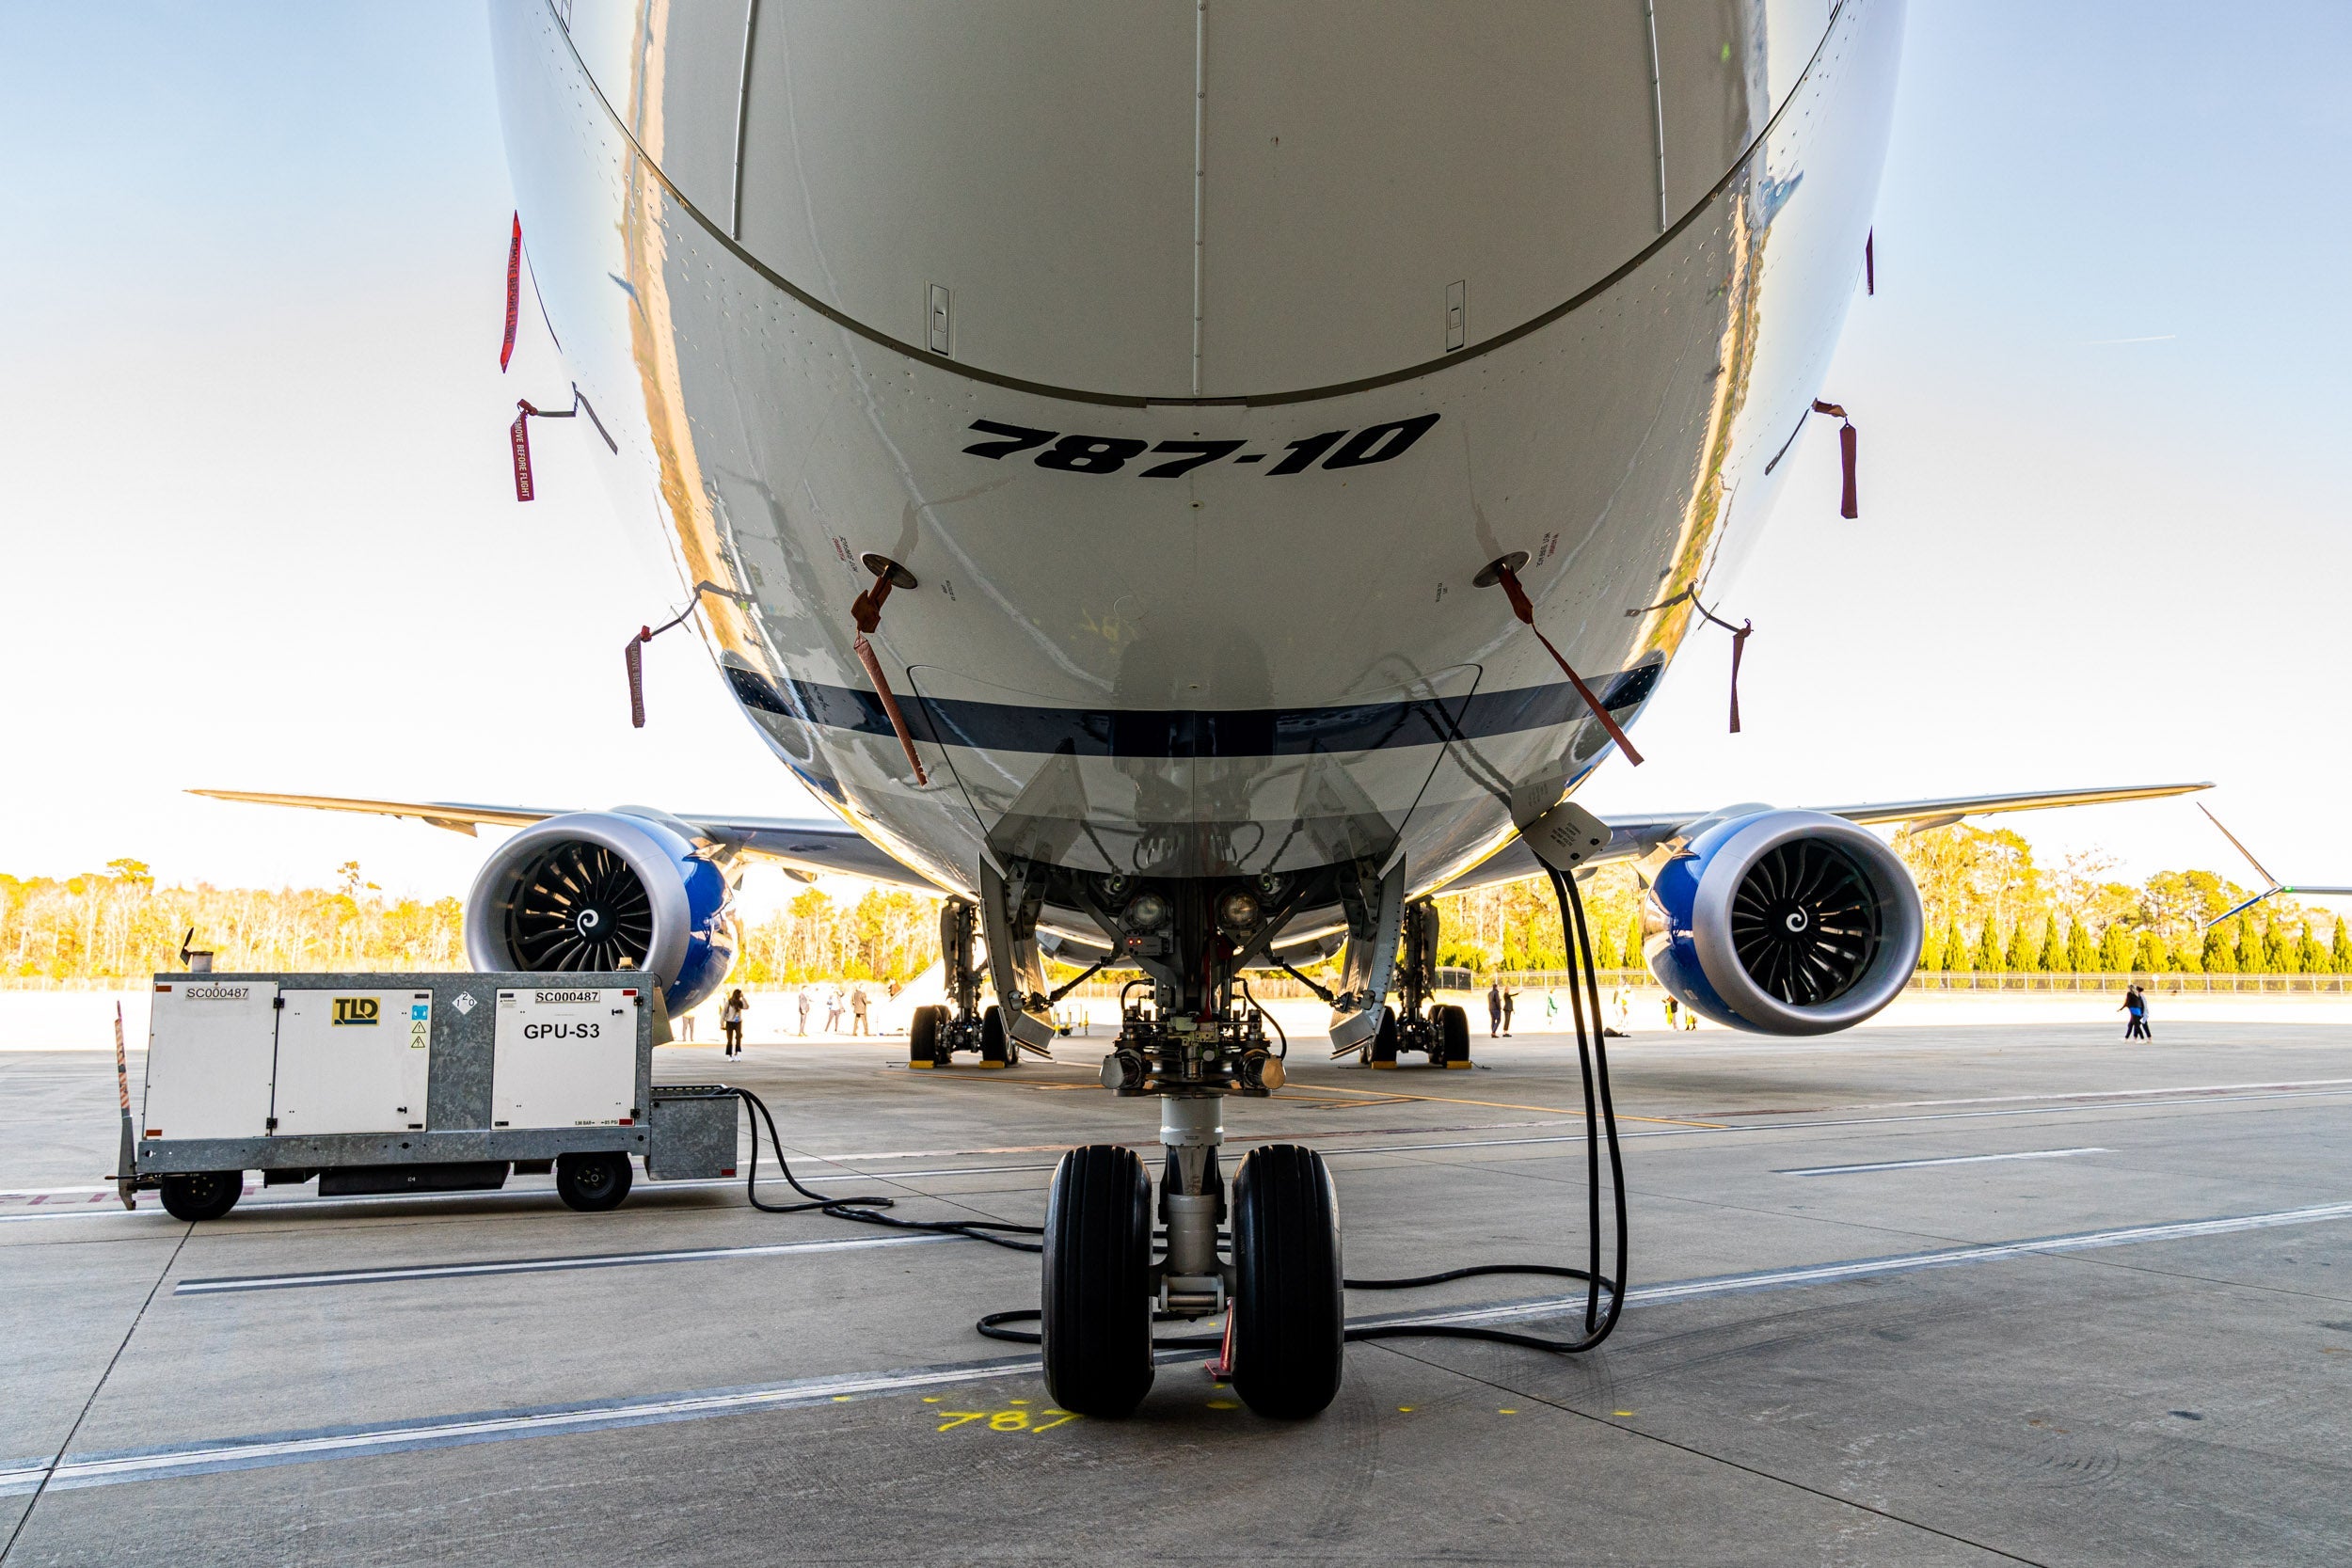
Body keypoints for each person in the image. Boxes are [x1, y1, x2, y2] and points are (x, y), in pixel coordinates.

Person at [721, 989, 747, 1057]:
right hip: (729, 1022)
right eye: (740, 994)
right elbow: (723, 1013)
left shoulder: (740, 1002)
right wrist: (721, 1023)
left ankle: (736, 1053)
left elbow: (746, 1007)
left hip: (738, 1022)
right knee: (730, 1039)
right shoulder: (729, 1002)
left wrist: (743, 998)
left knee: (738, 1037)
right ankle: (730, 1055)